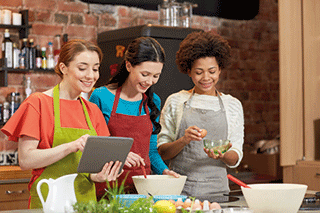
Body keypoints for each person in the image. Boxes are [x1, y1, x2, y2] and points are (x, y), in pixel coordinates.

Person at [1, 39, 123, 209]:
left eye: (95, 69)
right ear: (63, 68)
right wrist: (70, 147)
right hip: (48, 203)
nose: (91, 75)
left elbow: (93, 171)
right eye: (82, 68)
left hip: (85, 205)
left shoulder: (92, 110)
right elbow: (26, 160)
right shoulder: (38, 103)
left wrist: (100, 175)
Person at [89, 36, 179, 199]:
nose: (150, 81)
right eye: (145, 74)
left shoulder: (153, 101)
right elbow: (92, 146)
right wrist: (119, 154)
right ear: (129, 65)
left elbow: (150, 151)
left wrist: (165, 171)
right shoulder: (101, 96)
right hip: (108, 187)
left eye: (156, 76)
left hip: (142, 189)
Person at [157, 31, 244, 197]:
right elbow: (162, 152)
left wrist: (222, 155)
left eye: (212, 71)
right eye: (198, 72)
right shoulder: (176, 101)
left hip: (218, 192)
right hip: (179, 191)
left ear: (220, 70)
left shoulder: (232, 105)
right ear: (188, 71)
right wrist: (184, 140)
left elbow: (235, 157)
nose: (206, 78)